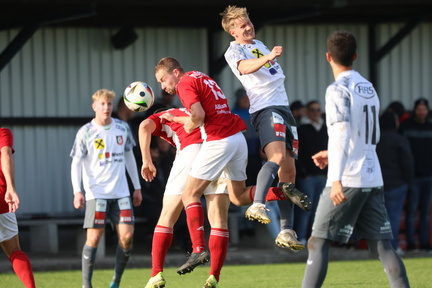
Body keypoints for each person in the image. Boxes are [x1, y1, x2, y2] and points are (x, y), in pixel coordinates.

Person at [301, 30, 410, 288]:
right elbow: (368, 133)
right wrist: (333, 153)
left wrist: (336, 178)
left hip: (347, 177)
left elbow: (340, 133)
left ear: (328, 57)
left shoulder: (337, 89)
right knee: (382, 245)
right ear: (356, 56)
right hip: (373, 176)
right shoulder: (368, 87)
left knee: (317, 241)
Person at [220, 5, 311, 251]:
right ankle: (258, 203)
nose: (248, 27)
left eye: (248, 22)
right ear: (232, 32)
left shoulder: (258, 43)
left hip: (284, 108)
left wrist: (266, 55)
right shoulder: (234, 50)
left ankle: (286, 231)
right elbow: (245, 68)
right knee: (278, 157)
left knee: (289, 173)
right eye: (241, 25)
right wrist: (268, 57)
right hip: (265, 108)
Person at [70, 89, 143, 288]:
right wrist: (78, 191)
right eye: (102, 104)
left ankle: (116, 282)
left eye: (109, 104)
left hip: (122, 194)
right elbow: (76, 163)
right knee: (94, 238)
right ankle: (87, 284)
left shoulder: (122, 127)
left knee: (127, 238)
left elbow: (129, 156)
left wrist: (136, 187)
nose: (106, 108)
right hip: (96, 194)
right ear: (94, 106)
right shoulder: (86, 132)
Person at [0, 128, 36, 288]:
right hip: (2, 199)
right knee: (14, 250)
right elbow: (5, 154)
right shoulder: (3, 133)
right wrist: (11, 188)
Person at [376, 111, 414, 252]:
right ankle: (392, 246)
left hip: (377, 184)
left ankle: (378, 247)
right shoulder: (400, 139)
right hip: (397, 184)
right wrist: (408, 180)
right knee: (394, 216)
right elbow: (407, 162)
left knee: (377, 217)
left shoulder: (374, 140)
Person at [399, 98, 432, 252]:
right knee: (411, 211)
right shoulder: (405, 127)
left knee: (425, 212)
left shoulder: (430, 127)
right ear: (415, 110)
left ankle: (425, 243)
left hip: (429, 176)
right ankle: (411, 243)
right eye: (419, 109)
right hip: (413, 177)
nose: (421, 112)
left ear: (427, 111)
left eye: (424, 109)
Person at [294, 100, 328, 245]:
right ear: (308, 112)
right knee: (305, 208)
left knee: (320, 211)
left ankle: (316, 238)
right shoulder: (302, 129)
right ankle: (301, 237)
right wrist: (303, 172)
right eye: (313, 110)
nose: (316, 112)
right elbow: (298, 153)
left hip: (324, 176)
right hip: (308, 177)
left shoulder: (328, 129)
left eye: (318, 109)